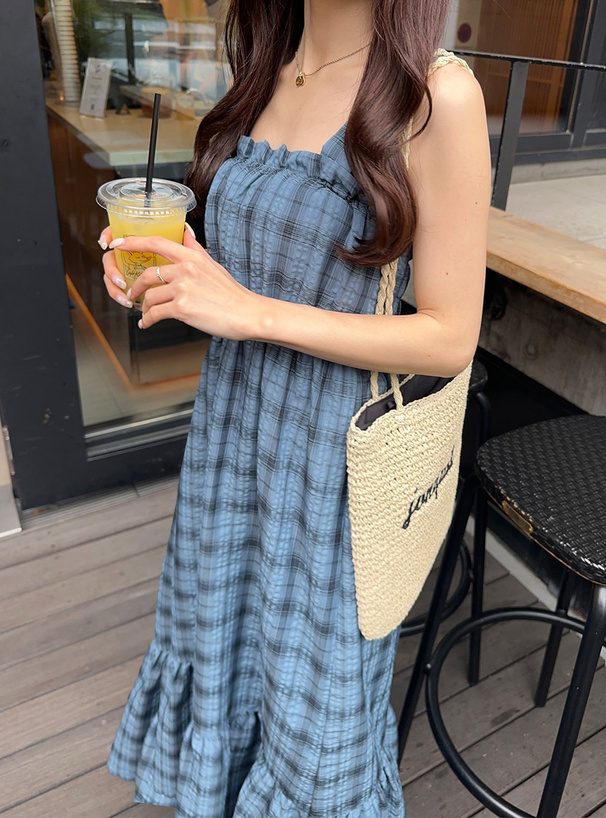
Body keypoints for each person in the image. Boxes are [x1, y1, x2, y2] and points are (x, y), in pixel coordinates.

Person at [99, 0, 490, 815]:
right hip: (228, 441)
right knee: (224, 646)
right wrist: (178, 271)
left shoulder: (435, 95)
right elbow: (254, 272)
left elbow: (451, 337)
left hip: (329, 465)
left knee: (314, 713)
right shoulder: (264, 71)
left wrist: (248, 311)